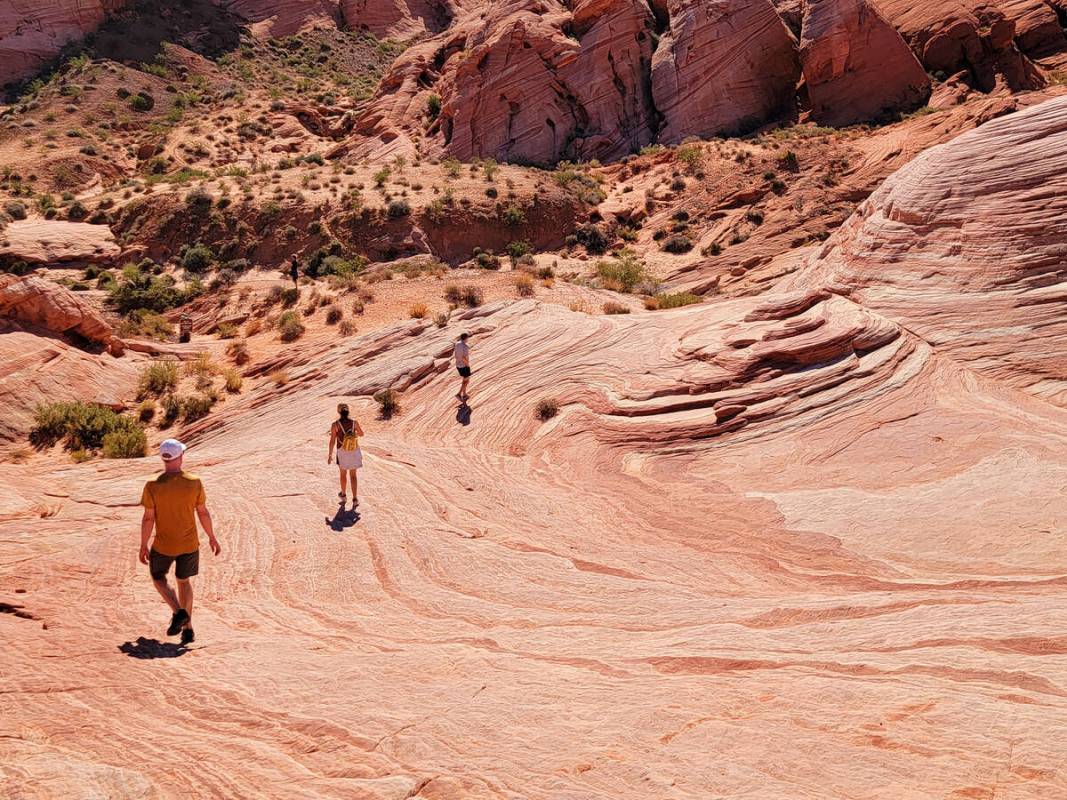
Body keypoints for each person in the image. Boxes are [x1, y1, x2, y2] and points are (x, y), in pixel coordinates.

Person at [138, 439, 221, 645]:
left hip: (164, 545)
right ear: (181, 457)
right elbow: (202, 512)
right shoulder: (194, 482)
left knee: (158, 578)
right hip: (189, 544)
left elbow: (148, 518)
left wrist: (143, 544)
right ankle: (188, 629)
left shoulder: (153, 486)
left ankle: (179, 612)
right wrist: (211, 536)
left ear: (163, 459)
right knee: (183, 581)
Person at [328, 403, 365, 508]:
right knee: (353, 475)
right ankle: (355, 499)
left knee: (343, 474)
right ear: (348, 411)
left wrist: (330, 454)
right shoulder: (354, 422)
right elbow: (362, 434)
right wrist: (354, 434)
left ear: (339, 412)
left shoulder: (335, 425)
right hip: (354, 450)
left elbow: (332, 441)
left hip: (342, 451)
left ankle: (343, 495)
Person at [454, 332, 471, 401]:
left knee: (465, 379)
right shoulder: (465, 346)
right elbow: (464, 357)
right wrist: (467, 365)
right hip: (464, 365)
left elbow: (455, 354)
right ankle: (459, 394)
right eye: (468, 338)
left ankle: (464, 394)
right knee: (466, 380)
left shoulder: (457, 344)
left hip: (458, 365)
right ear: (466, 338)